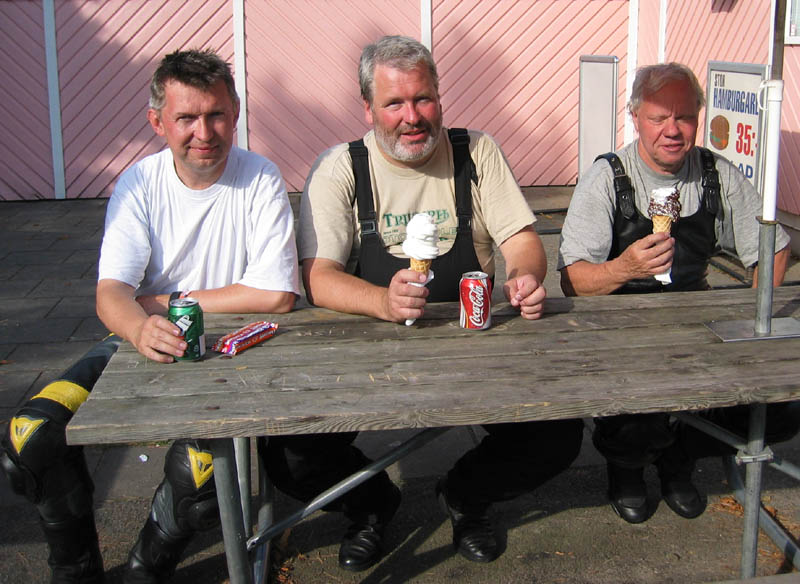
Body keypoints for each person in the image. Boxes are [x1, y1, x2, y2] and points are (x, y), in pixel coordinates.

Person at [262, 35, 584, 571]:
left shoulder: (475, 152)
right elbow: (317, 278)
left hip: (472, 351)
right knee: (289, 455)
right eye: (394, 103)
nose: (411, 117)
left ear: (439, 97)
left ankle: (466, 495)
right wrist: (381, 301)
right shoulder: (341, 167)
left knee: (558, 433)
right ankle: (370, 504)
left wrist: (525, 277)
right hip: (366, 359)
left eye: (423, 99)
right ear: (368, 108)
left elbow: (523, 241)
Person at [1, 49, 299, 584]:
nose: (204, 132)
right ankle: (75, 570)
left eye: (216, 114)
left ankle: (147, 565)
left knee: (199, 467)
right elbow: (111, 295)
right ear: (157, 122)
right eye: (186, 118)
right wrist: (139, 326)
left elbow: (276, 296)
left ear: (235, 112)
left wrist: (158, 303)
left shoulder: (260, 178)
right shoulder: (138, 183)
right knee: (30, 434)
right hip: (139, 342)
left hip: (228, 351)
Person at [558, 62, 800, 525]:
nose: (672, 130)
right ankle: (628, 467)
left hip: (697, 323)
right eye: (658, 117)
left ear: (697, 118)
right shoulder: (608, 176)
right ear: (635, 118)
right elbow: (573, 280)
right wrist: (625, 267)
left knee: (781, 412)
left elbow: (774, 249)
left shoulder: (715, 173)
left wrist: (749, 315)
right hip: (620, 329)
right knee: (638, 413)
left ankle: (680, 455)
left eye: (684, 116)